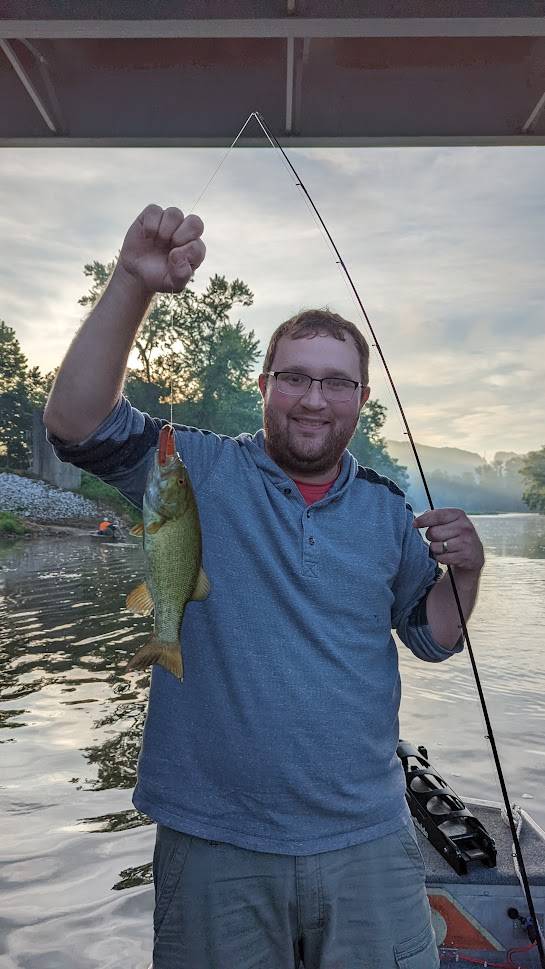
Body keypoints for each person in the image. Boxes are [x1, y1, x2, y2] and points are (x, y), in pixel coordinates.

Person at [43, 205, 485, 969]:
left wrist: (467, 573)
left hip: (369, 840)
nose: (314, 399)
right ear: (264, 384)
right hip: (217, 840)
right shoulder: (199, 467)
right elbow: (76, 424)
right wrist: (132, 284)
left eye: (336, 382)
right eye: (295, 377)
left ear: (362, 398)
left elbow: (431, 635)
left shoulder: (386, 507)